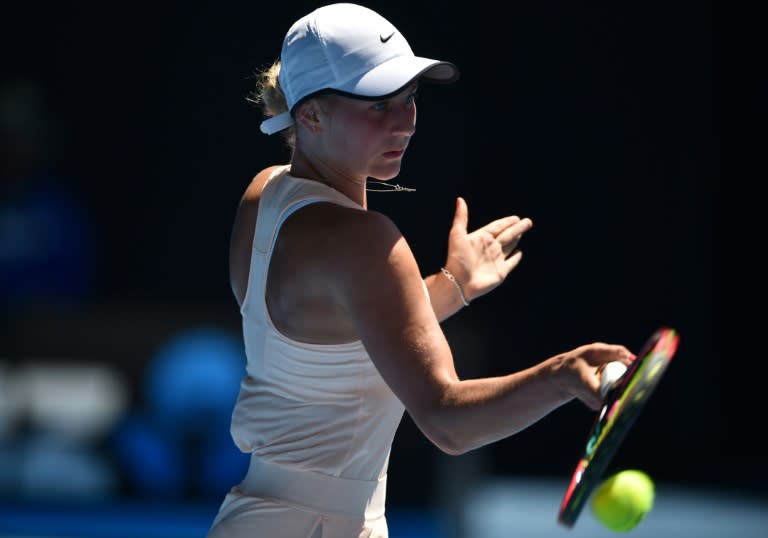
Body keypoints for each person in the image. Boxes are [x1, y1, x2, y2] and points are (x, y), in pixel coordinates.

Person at [206, 4, 634, 537]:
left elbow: (335, 342)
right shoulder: (364, 241)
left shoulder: (264, 194)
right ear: (311, 116)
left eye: (409, 98)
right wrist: (563, 375)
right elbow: (446, 420)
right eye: (379, 104)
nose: (405, 120)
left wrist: (451, 286)